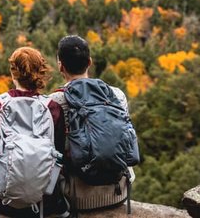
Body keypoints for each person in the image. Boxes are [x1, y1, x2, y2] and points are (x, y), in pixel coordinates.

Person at [48, 35, 135, 211]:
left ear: (60, 66)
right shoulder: (117, 95)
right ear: (89, 62)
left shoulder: (54, 102)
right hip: (118, 192)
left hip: (74, 197)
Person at [0, 47, 69, 218]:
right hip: (45, 201)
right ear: (40, 72)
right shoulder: (52, 108)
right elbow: (59, 156)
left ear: (13, 73)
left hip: (3, 202)